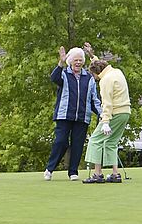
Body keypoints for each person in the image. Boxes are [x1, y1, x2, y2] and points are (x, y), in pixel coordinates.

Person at [43, 45, 102, 181]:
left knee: (78, 144)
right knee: (61, 141)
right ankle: (50, 169)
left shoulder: (89, 78)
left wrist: (101, 114)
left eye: (80, 60)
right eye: (75, 60)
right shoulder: (64, 74)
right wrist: (60, 62)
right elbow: (54, 78)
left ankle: (73, 172)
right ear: (70, 61)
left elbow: (94, 99)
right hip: (64, 115)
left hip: (82, 117)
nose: (78, 62)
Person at [81, 43, 130, 184]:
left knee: (95, 140)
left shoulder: (105, 80)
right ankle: (115, 174)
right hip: (125, 112)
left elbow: (107, 103)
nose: (95, 79)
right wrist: (92, 56)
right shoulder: (116, 72)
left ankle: (97, 174)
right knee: (111, 142)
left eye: (94, 76)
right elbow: (99, 65)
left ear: (97, 73)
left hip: (114, 113)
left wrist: (105, 121)